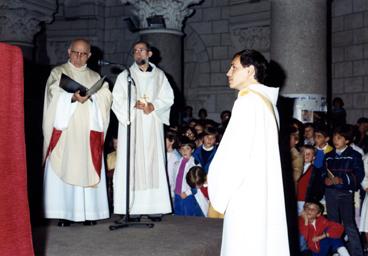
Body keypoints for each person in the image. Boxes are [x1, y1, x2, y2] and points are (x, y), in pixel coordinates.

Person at [207, 49, 290, 255]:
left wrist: (219, 194)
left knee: (242, 245)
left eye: (234, 67)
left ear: (250, 70)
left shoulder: (246, 102)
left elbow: (235, 155)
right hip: (261, 190)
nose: (228, 72)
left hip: (244, 191)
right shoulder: (267, 103)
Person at [42, 38, 111, 226]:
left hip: (88, 132)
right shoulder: (58, 72)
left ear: (89, 55)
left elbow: (105, 97)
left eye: (83, 54)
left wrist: (93, 98)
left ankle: (89, 213)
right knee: (65, 165)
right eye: (75, 52)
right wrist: (70, 98)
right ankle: (65, 213)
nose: (78, 57)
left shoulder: (95, 76)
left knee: (86, 166)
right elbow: (52, 93)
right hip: (66, 132)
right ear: (68, 51)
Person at [112, 40, 174, 221]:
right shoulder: (125, 75)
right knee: (133, 162)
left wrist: (154, 106)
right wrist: (133, 105)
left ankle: (155, 206)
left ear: (149, 54)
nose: (138, 54)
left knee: (153, 163)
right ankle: (132, 208)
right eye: (135, 51)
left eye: (142, 50)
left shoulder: (160, 76)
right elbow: (117, 98)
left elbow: (168, 97)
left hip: (152, 124)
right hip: (133, 123)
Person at [322, 124, 365, 256]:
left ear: (347, 140)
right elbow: (323, 173)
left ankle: (357, 252)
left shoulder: (354, 155)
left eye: (339, 138)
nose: (335, 140)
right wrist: (325, 179)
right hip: (330, 193)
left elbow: (359, 175)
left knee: (349, 224)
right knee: (333, 223)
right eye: (334, 137)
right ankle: (337, 251)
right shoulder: (328, 155)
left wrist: (342, 179)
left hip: (345, 193)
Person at [173, 138, 203, 216]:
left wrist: (187, 193)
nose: (184, 151)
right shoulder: (176, 163)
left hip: (188, 195)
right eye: (182, 149)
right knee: (178, 215)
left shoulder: (195, 164)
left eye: (187, 148)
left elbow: (198, 184)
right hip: (177, 194)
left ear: (192, 150)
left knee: (188, 217)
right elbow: (174, 179)